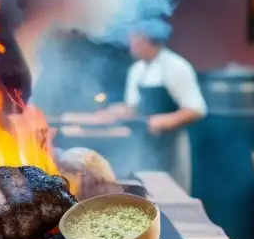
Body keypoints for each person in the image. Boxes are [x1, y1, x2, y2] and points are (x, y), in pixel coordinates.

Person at [74, 28, 207, 193]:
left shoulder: (176, 66)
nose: (130, 44)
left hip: (170, 144)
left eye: (134, 39)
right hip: (143, 142)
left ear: (148, 39)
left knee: (169, 195)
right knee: (144, 190)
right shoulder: (137, 69)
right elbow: (133, 107)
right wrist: (115, 111)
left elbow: (196, 109)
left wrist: (164, 120)